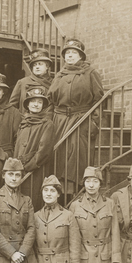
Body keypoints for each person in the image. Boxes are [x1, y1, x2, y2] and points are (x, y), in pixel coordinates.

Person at [47, 39, 105, 196]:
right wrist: (48, 122)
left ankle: (76, 193)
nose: (70, 56)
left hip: (81, 119)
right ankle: (60, 194)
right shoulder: (59, 74)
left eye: (73, 53)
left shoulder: (91, 73)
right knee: (59, 155)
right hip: (59, 120)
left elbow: (98, 100)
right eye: (67, 53)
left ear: (81, 55)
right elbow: (50, 100)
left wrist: (94, 122)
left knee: (78, 157)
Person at [14, 85, 54, 209]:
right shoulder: (23, 123)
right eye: (33, 101)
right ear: (27, 104)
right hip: (20, 170)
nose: (36, 105)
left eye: (39, 102)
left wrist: (28, 166)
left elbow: (44, 151)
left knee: (32, 201)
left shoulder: (47, 123)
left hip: (35, 170)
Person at [9, 48, 55, 113]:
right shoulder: (22, 82)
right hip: (25, 121)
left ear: (47, 66)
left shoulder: (54, 83)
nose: (37, 67)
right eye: (34, 65)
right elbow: (12, 107)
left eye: (40, 64)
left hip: (46, 121)